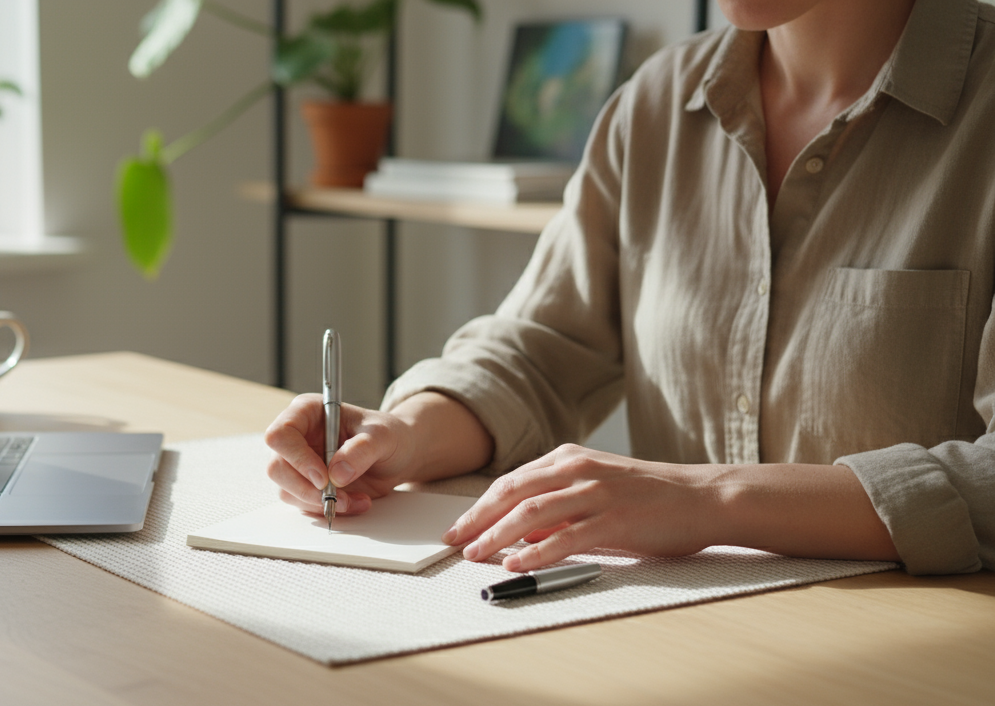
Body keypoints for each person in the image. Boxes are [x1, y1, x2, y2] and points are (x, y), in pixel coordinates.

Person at [265, 0, 995, 576]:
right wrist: (406, 434)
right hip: (676, 637)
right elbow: (543, 350)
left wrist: (709, 500)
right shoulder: (654, 106)